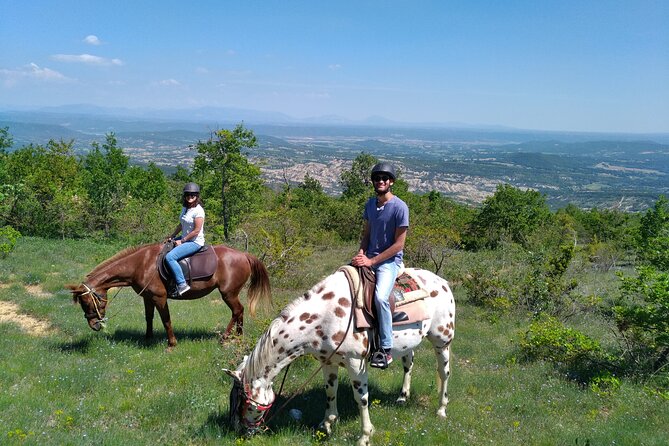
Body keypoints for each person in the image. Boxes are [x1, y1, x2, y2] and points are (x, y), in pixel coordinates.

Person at [351, 162, 409, 369]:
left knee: (380, 298)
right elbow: (366, 235)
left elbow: (398, 244)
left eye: (385, 178)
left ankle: (385, 349)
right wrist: (360, 253)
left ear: (391, 182)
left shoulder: (400, 207)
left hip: (389, 262)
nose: (380, 181)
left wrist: (372, 261)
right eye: (377, 178)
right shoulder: (370, 205)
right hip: (369, 257)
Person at [166, 182, 206, 296]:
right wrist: (172, 236)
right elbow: (181, 224)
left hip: (194, 241)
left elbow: (196, 231)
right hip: (185, 237)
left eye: (193, 194)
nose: (190, 196)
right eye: (188, 194)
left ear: (197, 196)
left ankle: (182, 284)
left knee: (170, 257)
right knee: (164, 247)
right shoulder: (185, 208)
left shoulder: (199, 211)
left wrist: (182, 241)